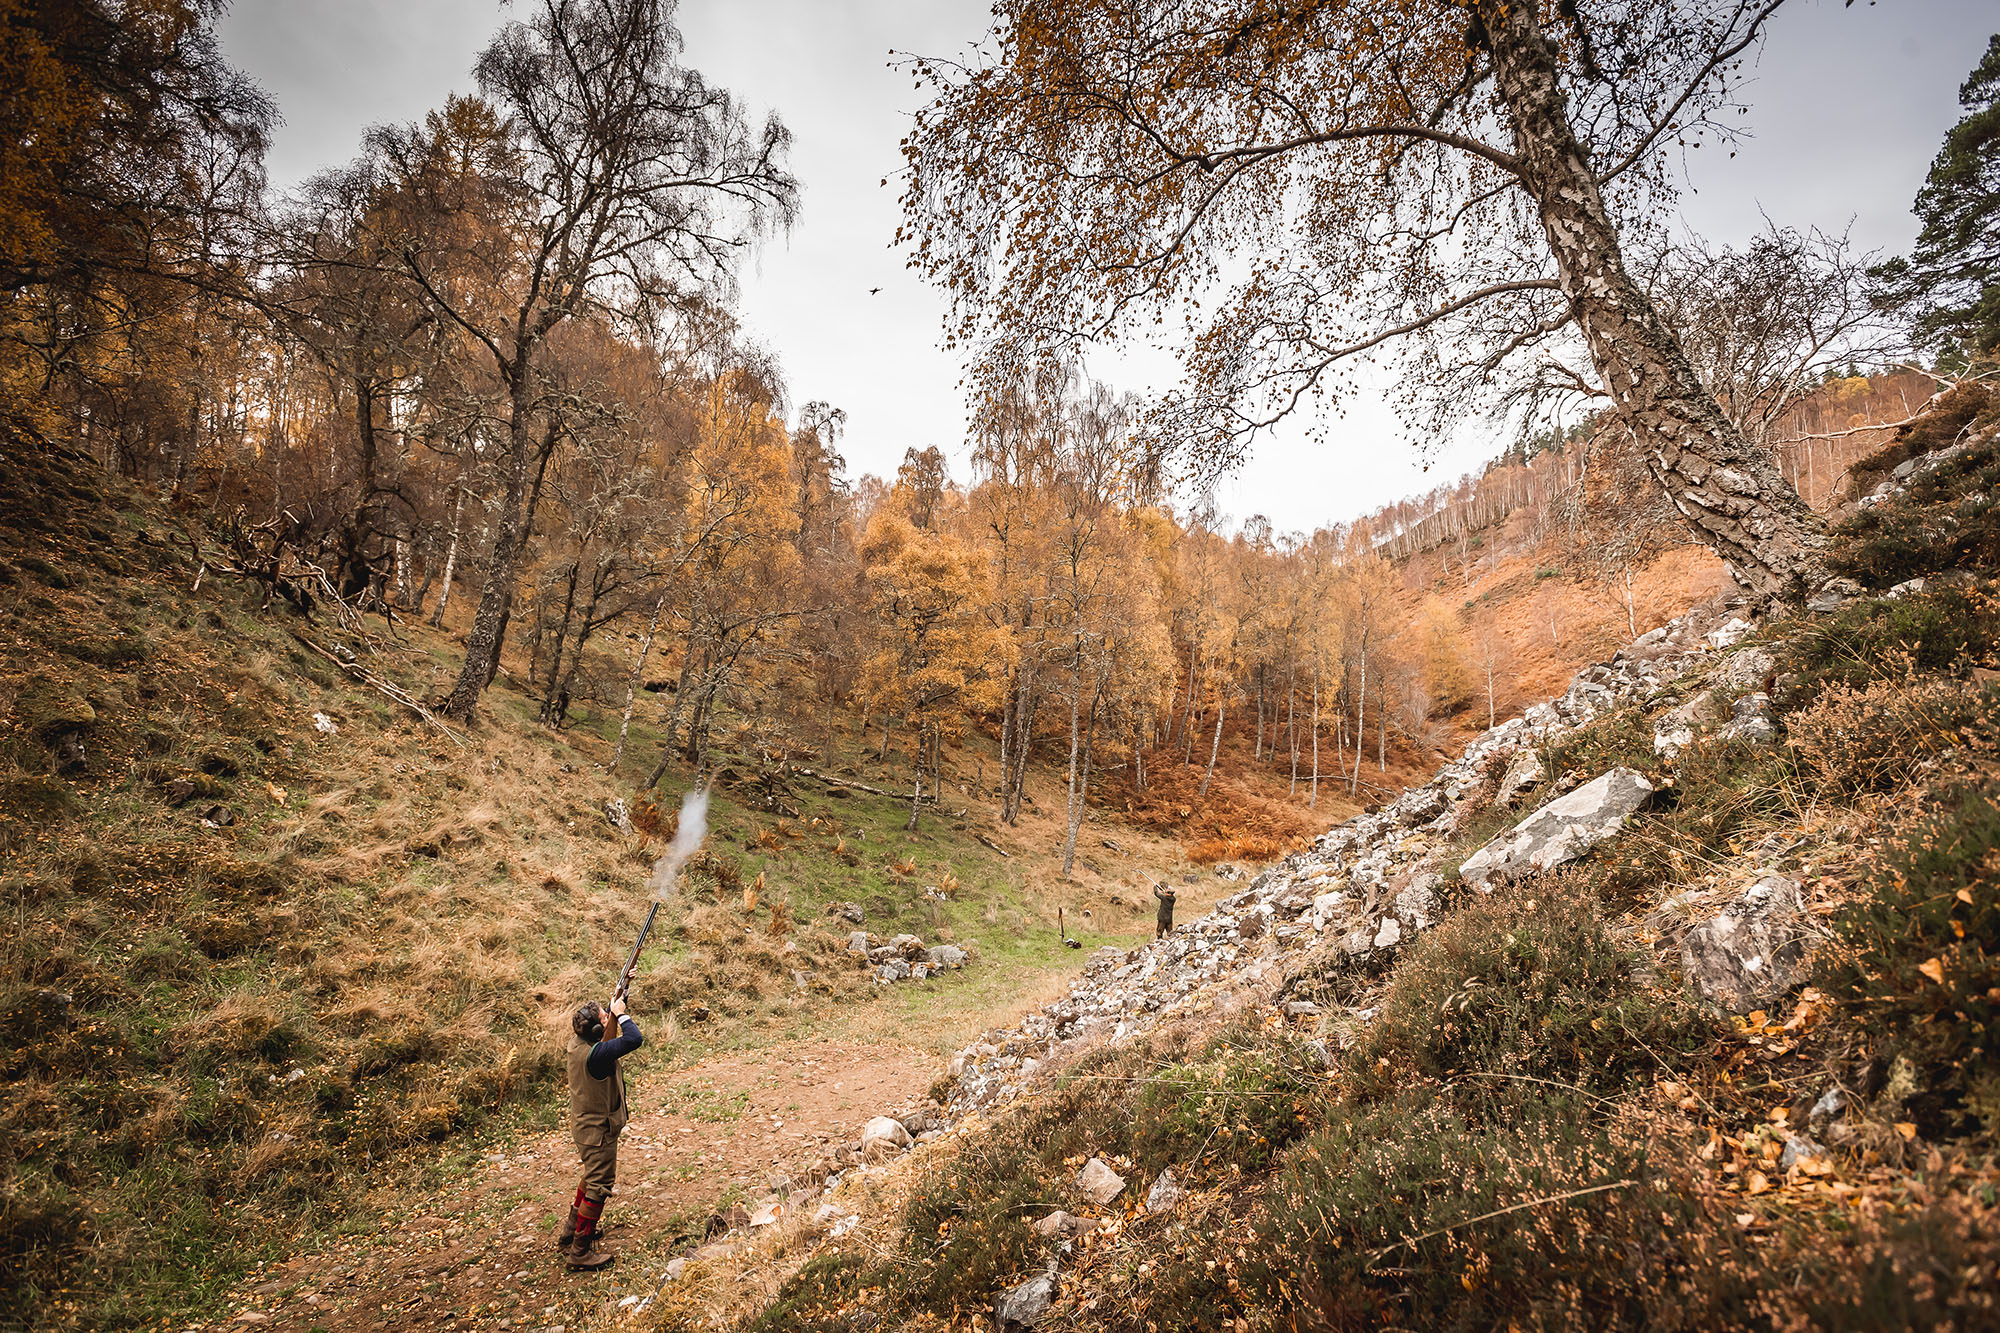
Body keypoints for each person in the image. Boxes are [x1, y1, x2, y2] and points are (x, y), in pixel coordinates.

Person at [559, 977, 642, 1270]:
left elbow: (605, 1030)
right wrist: (622, 1015)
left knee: (590, 1176)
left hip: (586, 1128)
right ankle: (580, 1251)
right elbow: (633, 1039)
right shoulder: (597, 1056)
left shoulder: (579, 1044)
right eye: (605, 1018)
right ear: (597, 1028)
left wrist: (622, 993)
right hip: (598, 1131)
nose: (610, 1018)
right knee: (599, 1184)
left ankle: (572, 1229)